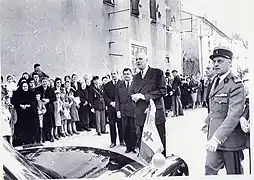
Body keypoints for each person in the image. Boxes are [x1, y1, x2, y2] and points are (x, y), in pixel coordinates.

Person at [204, 46, 246, 175]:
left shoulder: (236, 85)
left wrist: (217, 138)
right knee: (209, 169)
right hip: (213, 136)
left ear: (230, 63)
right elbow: (215, 108)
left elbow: (234, 114)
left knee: (234, 173)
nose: (216, 64)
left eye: (220, 61)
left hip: (230, 139)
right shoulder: (215, 80)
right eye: (214, 61)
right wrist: (207, 121)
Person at [130, 52, 167, 157]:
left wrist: (144, 96)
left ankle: (160, 166)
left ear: (147, 60)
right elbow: (132, 91)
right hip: (141, 114)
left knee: (158, 142)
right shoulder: (136, 77)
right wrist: (133, 96)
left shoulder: (157, 73)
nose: (138, 61)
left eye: (140, 59)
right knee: (144, 142)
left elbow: (163, 90)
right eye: (136, 59)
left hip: (155, 114)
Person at [115, 68, 137, 153]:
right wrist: (118, 110)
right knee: (125, 129)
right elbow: (117, 99)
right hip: (123, 111)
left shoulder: (136, 84)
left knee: (134, 129)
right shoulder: (119, 86)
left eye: (128, 74)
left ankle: (134, 146)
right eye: (125, 74)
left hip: (133, 110)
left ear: (131, 74)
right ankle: (128, 147)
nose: (126, 76)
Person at [103, 70, 124, 148]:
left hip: (120, 107)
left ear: (117, 74)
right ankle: (113, 141)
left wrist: (118, 103)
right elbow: (104, 96)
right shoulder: (107, 85)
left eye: (114, 74)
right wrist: (111, 103)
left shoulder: (122, 83)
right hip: (111, 107)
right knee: (112, 125)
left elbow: (124, 95)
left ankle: (122, 140)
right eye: (112, 74)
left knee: (120, 124)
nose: (113, 75)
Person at [35, 77, 56, 142]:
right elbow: (36, 97)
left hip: (49, 108)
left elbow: (54, 98)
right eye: (43, 82)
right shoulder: (38, 89)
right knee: (42, 123)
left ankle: (49, 136)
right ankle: (43, 137)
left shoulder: (51, 89)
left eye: (46, 81)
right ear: (41, 82)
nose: (44, 83)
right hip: (41, 108)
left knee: (49, 123)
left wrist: (48, 100)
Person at [201, 63, 216, 132]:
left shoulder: (217, 81)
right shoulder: (210, 81)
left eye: (208, 69)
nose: (206, 71)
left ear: (214, 69)